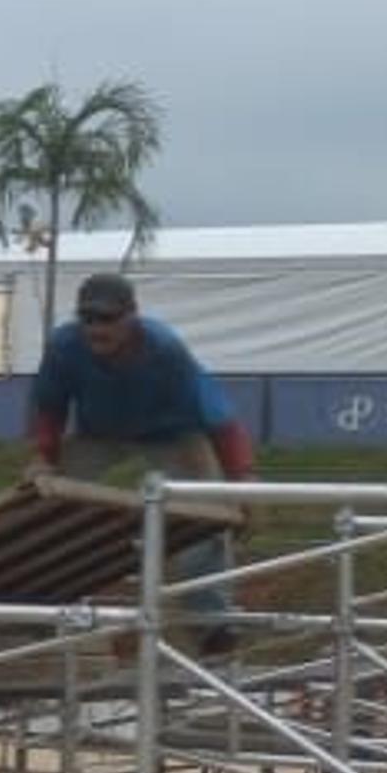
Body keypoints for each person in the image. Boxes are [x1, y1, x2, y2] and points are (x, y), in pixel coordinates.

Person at [25, 270, 252, 645]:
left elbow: (220, 420)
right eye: (89, 318)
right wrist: (44, 457)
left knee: (209, 517)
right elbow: (50, 408)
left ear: (132, 316)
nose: (98, 328)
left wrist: (242, 480)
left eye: (109, 319)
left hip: (172, 434)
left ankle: (212, 626)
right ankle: (37, 609)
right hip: (99, 433)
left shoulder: (165, 350)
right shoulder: (65, 346)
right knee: (45, 499)